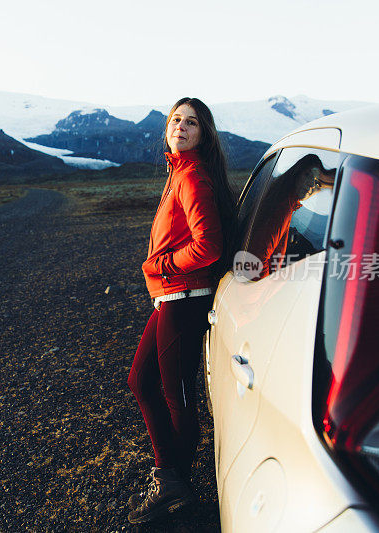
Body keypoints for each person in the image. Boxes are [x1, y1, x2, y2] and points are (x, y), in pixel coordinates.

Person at [127, 97, 235, 524]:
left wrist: (165, 266)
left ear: (202, 133)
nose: (181, 126)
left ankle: (176, 486)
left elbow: (209, 246)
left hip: (184, 299)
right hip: (172, 299)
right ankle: (169, 477)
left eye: (191, 122)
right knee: (141, 380)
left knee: (178, 396)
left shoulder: (191, 177)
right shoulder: (178, 173)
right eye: (176, 119)